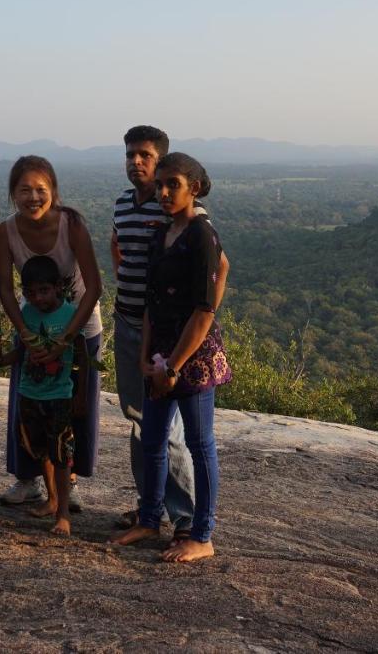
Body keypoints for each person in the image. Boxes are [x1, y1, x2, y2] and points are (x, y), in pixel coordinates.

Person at [110, 153, 231, 563]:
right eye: (160, 185)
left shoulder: (201, 234)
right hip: (159, 354)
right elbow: (150, 303)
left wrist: (175, 366)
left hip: (191, 359)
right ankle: (148, 519)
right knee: (154, 440)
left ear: (193, 188)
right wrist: (147, 359)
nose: (163, 192)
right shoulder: (163, 233)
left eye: (172, 185)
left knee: (198, 444)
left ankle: (202, 534)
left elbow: (203, 311)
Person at [0, 156, 103, 510]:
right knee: (28, 404)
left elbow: (95, 286)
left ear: (54, 191)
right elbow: (5, 290)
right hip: (33, 330)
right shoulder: (5, 232)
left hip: (79, 329)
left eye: (41, 189)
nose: (33, 197)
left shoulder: (70, 225)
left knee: (75, 405)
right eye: (24, 190)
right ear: (13, 194)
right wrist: (24, 333)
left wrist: (65, 340)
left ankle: (66, 484)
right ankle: (28, 481)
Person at [14, 255, 90, 535]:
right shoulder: (27, 314)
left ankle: (64, 514)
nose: (37, 298)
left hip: (59, 394)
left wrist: (81, 394)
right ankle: (52, 499)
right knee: (40, 449)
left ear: (58, 286)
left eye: (43, 290)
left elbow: (81, 354)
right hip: (29, 392)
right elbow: (22, 349)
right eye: (31, 293)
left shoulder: (70, 315)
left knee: (61, 454)